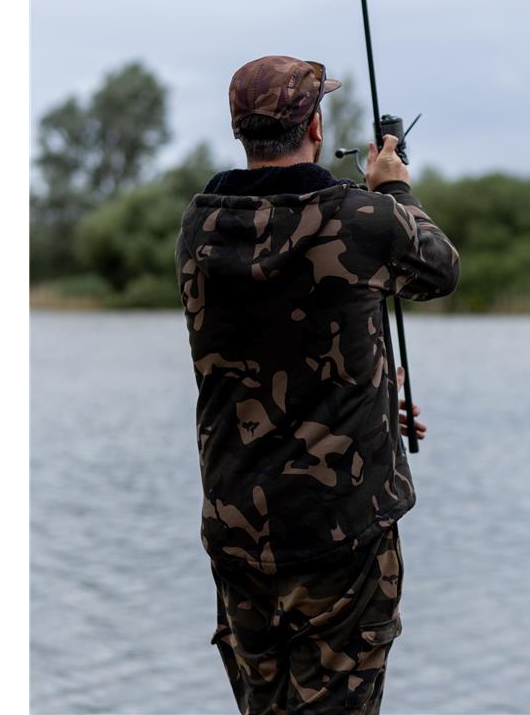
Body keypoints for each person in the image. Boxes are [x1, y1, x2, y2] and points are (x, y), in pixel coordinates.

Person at [175, 55, 460, 714]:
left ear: (239, 130)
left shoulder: (198, 228)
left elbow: (273, 341)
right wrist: (395, 189)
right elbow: (440, 269)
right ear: (314, 126)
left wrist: (374, 394)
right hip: (341, 535)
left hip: (238, 529)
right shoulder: (360, 218)